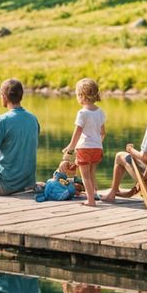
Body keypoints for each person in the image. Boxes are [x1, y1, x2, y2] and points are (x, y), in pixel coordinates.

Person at [62, 78, 106, 206]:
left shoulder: (82, 113)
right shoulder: (100, 112)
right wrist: (97, 143)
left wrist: (70, 148)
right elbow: (103, 133)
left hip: (84, 148)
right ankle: (95, 193)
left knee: (85, 176)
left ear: (82, 96)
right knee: (92, 174)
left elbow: (78, 133)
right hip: (97, 148)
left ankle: (91, 200)